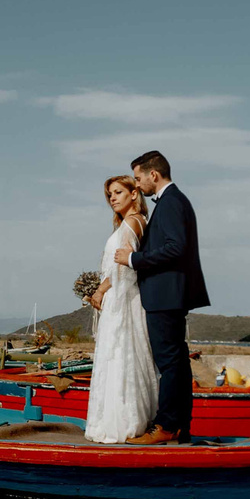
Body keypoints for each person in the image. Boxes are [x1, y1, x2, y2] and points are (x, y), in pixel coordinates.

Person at [112, 150, 209, 443]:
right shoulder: (175, 201)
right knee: (177, 363)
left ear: (153, 175)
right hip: (171, 295)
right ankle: (180, 427)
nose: (138, 185)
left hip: (165, 295)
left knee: (169, 363)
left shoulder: (170, 203)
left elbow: (175, 248)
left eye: (139, 178)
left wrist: (134, 259)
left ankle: (166, 427)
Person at [83, 175, 159, 442]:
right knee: (121, 356)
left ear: (134, 193)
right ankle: (126, 419)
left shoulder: (132, 223)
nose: (112, 198)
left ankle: (124, 421)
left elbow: (123, 265)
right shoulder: (134, 223)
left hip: (123, 299)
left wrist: (102, 290)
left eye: (118, 192)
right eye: (109, 195)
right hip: (122, 296)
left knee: (119, 355)